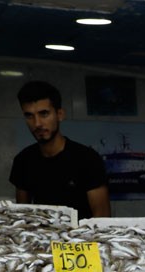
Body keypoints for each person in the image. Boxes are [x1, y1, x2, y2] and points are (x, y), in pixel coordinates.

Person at [10, 81, 110, 219]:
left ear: (60, 114)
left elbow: (102, 218)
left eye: (44, 114)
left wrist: (77, 241)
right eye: (29, 116)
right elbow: (23, 215)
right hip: (42, 238)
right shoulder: (23, 161)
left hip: (83, 239)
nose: (37, 123)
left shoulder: (87, 159)